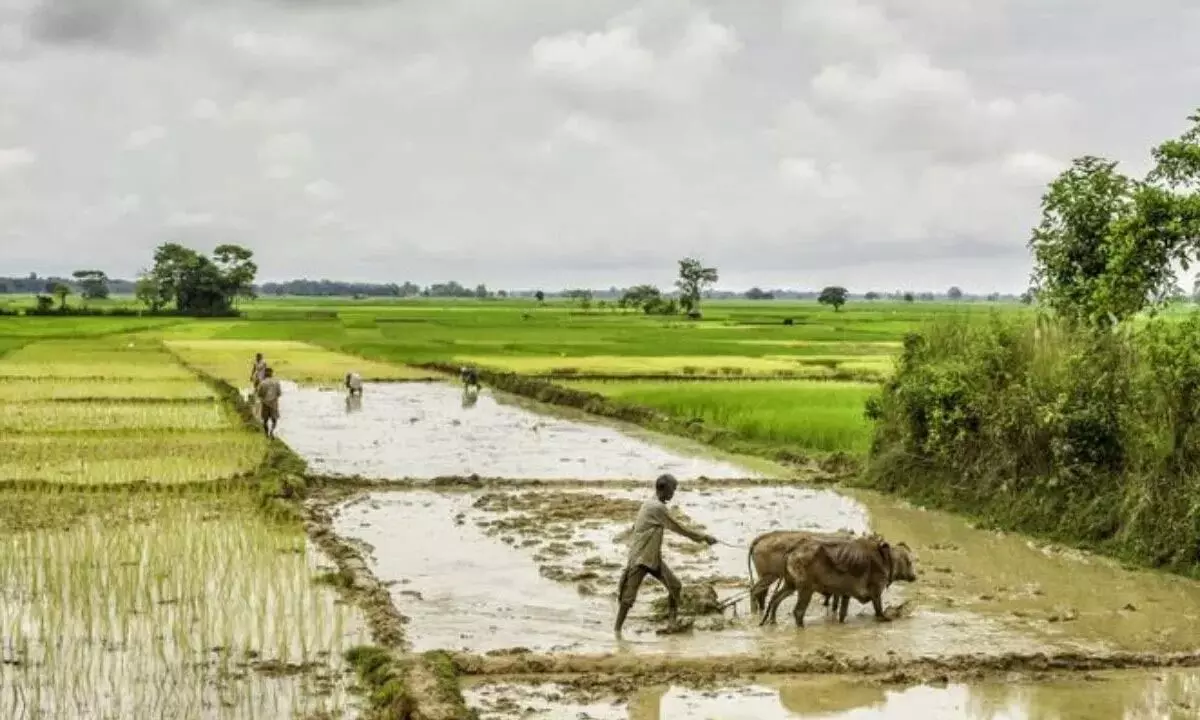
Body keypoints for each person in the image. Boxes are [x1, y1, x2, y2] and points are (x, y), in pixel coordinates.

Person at [614, 473, 718, 635]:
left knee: (675, 586)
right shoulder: (656, 507)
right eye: (672, 489)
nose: (673, 493)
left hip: (652, 557)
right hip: (641, 558)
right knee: (628, 597)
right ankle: (617, 631)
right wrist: (703, 537)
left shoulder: (651, 503)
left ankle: (672, 623)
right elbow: (678, 528)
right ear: (663, 488)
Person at [255, 366, 282, 438]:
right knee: (274, 420)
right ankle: (272, 431)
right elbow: (279, 393)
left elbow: (259, 394)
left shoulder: (262, 383)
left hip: (265, 404)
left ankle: (266, 434)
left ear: (265, 374)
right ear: (272, 374)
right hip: (274, 404)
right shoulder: (276, 382)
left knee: (265, 420)